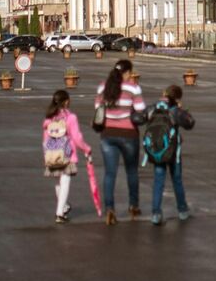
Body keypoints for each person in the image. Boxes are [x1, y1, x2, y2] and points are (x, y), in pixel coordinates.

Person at [94, 58, 147, 225]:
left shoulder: (103, 86)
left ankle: (110, 209)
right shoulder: (133, 88)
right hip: (129, 134)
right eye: (130, 73)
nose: (131, 76)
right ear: (126, 73)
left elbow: (97, 108)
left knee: (110, 173)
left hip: (107, 134)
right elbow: (141, 110)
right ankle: (133, 205)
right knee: (131, 171)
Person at [142, 83, 197, 225]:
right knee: (177, 180)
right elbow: (190, 123)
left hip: (158, 150)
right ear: (177, 98)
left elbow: (139, 117)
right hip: (174, 152)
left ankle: (155, 213)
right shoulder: (175, 111)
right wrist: (182, 110)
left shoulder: (155, 108)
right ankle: (182, 210)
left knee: (158, 181)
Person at [42, 89, 90, 223]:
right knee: (65, 181)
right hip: (67, 154)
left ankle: (64, 207)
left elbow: (45, 139)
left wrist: (46, 154)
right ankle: (60, 213)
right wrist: (86, 149)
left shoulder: (49, 118)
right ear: (66, 101)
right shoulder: (70, 117)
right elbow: (77, 137)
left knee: (59, 182)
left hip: (52, 154)